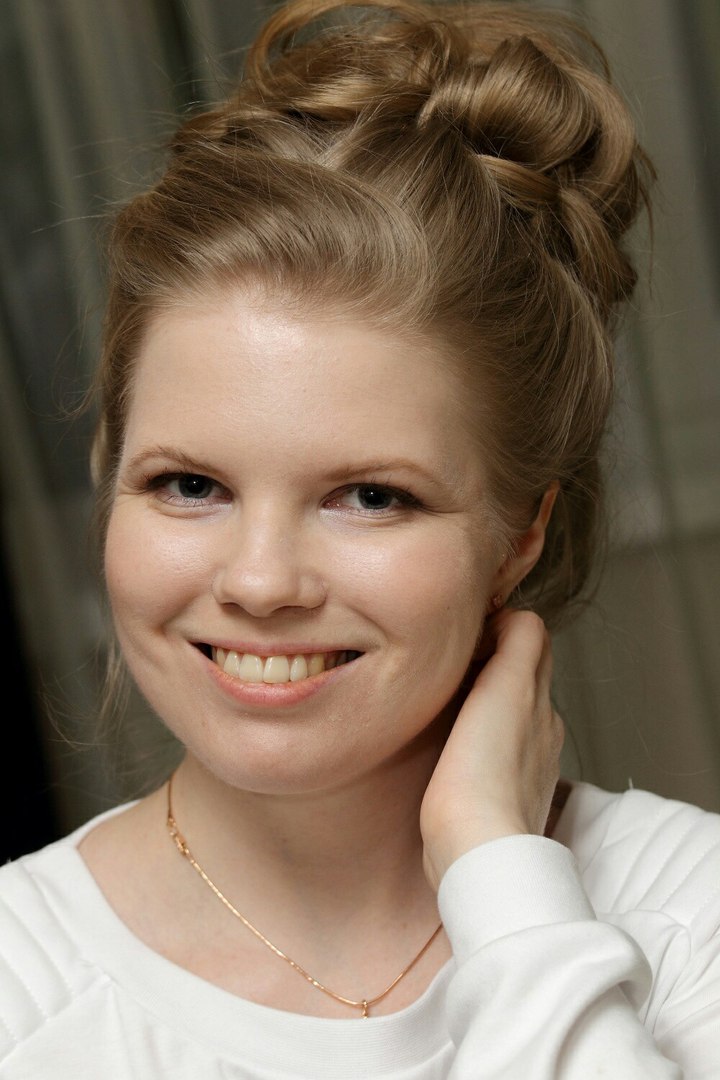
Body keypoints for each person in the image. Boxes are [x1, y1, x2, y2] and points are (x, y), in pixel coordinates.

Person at [1, 0, 718, 1075]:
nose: (260, 581)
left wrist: (496, 869)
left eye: (371, 498)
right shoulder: (19, 985)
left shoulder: (691, 917)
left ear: (521, 535)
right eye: (189, 484)